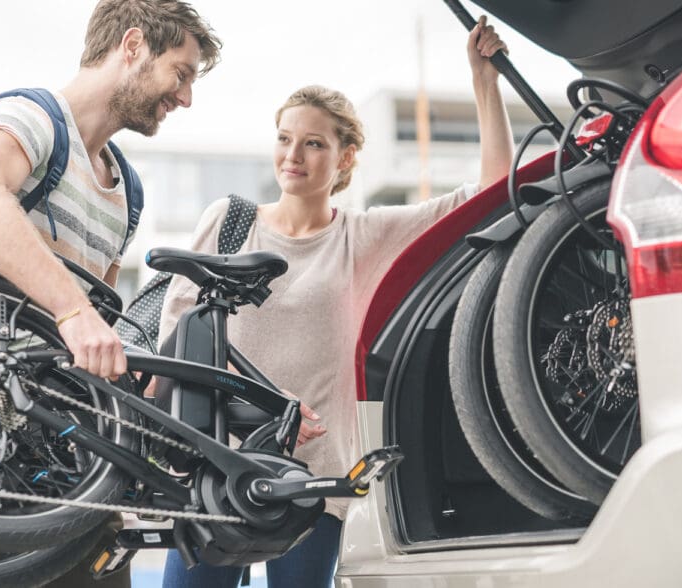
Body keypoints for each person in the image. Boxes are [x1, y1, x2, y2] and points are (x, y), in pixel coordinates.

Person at [157, 15, 513, 588]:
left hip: (314, 481)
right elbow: (181, 334)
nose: (293, 154)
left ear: (345, 158)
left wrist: (484, 83)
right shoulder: (228, 223)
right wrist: (267, 409)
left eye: (314, 143)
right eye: (284, 138)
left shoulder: (363, 237)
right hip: (216, 470)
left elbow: (493, 194)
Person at [0, 1, 221, 586]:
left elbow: (97, 327)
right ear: (133, 45)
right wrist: (72, 310)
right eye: (182, 73)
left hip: (70, 464)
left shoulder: (125, 188)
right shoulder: (33, 118)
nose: (186, 98)